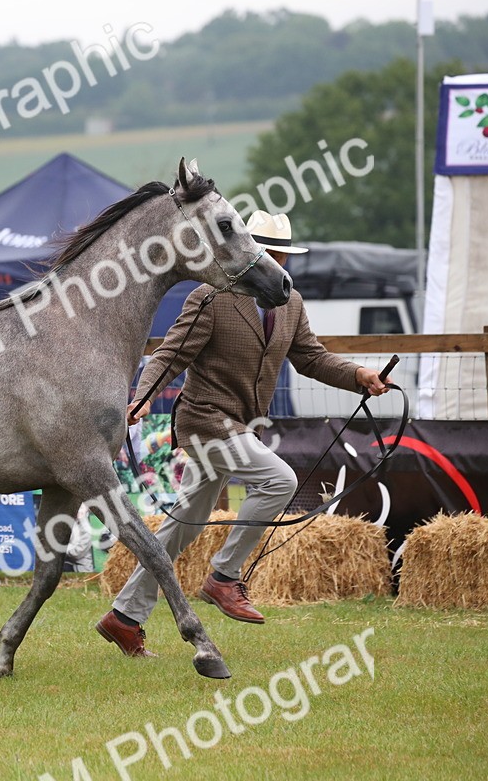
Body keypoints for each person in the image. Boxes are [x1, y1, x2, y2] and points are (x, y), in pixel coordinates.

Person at [96, 210, 392, 658]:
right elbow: (169, 355)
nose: (277, 263)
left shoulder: (290, 302)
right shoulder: (210, 297)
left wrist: (359, 374)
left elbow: (311, 358)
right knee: (279, 480)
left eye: (282, 255)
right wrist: (139, 398)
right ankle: (224, 577)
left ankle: (124, 617)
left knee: (181, 525)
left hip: (240, 425)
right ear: (247, 254)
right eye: (269, 253)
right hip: (203, 422)